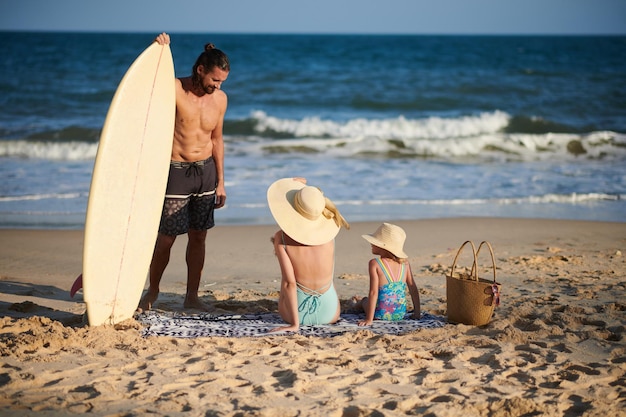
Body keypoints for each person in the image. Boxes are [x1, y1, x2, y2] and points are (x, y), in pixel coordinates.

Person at [138, 33, 230, 312]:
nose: (217, 85)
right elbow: (146, 84)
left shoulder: (221, 99)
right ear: (200, 69)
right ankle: (152, 291)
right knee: (166, 237)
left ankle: (192, 296)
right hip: (176, 171)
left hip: (206, 172)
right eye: (214, 79)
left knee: (199, 236)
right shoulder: (175, 89)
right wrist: (159, 49)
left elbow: (217, 139)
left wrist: (222, 182)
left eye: (222, 81)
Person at [267, 177, 350, 332]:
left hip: (297, 312)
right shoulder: (329, 234)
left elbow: (289, 284)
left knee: (288, 282)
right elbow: (313, 200)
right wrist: (304, 187)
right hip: (330, 313)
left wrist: (294, 324)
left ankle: (296, 321)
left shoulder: (282, 238)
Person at [354, 223, 421, 326]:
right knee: (367, 300)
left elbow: (373, 293)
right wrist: (417, 313)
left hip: (379, 314)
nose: (371, 243)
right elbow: (413, 288)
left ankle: (356, 302)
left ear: (383, 247)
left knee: (364, 301)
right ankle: (358, 301)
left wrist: (369, 319)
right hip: (399, 313)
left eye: (374, 242)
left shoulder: (375, 263)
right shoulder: (405, 264)